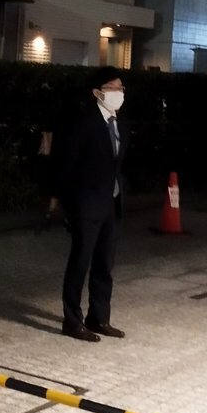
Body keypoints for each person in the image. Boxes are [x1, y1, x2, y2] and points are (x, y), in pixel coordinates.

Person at [55, 66, 128, 342]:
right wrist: (67, 203)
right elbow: (68, 163)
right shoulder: (84, 122)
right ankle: (72, 320)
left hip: (111, 201)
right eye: (112, 88)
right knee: (80, 262)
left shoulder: (120, 123)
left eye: (121, 88)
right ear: (98, 92)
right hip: (86, 203)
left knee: (104, 264)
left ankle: (99, 317)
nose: (118, 93)